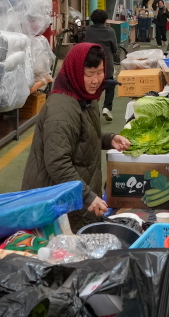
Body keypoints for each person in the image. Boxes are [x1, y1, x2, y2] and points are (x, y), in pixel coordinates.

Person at [22, 43, 131, 230]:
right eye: (89, 74)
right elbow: (57, 162)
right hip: (58, 203)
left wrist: (108, 139)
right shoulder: (61, 110)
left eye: (100, 72)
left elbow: (82, 135)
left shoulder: (85, 97)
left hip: (75, 197)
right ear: (74, 72)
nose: (96, 80)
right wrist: (87, 196)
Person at [84, 9, 119, 122]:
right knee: (110, 86)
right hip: (105, 62)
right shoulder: (110, 31)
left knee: (93, 86)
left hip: (91, 61)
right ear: (105, 20)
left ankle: (94, 111)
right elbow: (114, 48)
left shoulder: (88, 30)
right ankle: (106, 107)